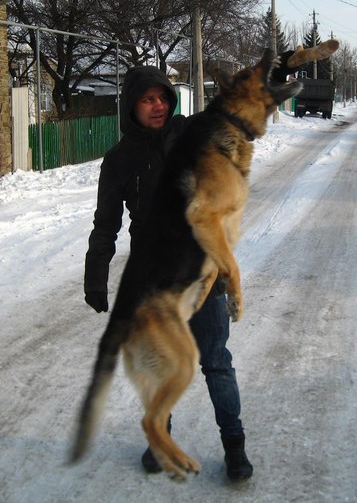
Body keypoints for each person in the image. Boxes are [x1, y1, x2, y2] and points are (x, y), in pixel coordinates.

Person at [83, 65, 253, 481]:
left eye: (163, 97)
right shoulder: (119, 160)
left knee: (215, 362)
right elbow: (106, 224)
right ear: (132, 106)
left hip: (202, 273)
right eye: (147, 99)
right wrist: (96, 271)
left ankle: (235, 447)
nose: (158, 106)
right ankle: (160, 439)